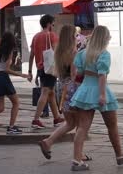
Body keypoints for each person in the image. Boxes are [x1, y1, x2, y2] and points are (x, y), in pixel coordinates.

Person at [70, 26, 123, 171]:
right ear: (104, 38)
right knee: (112, 125)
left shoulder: (82, 54)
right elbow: (102, 75)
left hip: (85, 90)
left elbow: (79, 73)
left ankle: (76, 160)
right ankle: (120, 155)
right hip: (100, 89)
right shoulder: (104, 54)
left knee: (82, 127)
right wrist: (102, 94)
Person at [38, 25, 91, 161]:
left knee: (70, 123)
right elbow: (74, 74)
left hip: (62, 89)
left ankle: (48, 142)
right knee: (80, 124)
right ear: (71, 36)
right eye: (74, 35)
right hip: (73, 90)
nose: (76, 37)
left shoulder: (59, 51)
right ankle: (79, 155)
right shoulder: (73, 52)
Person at [28, 14, 64, 129]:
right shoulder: (52, 35)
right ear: (49, 24)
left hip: (40, 68)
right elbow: (57, 52)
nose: (53, 25)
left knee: (51, 93)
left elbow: (32, 54)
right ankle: (36, 119)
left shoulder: (36, 37)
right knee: (45, 92)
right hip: (50, 68)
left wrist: (30, 70)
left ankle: (56, 118)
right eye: (53, 23)